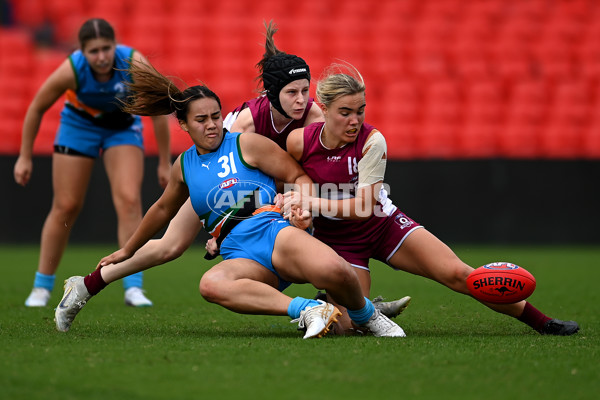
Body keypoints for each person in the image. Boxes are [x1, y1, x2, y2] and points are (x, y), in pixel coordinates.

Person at [51, 21, 409, 325]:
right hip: (229, 185)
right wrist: (226, 228)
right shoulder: (243, 126)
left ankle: (353, 304)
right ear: (271, 93)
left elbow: (304, 175)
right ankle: (87, 284)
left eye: (305, 90)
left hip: (273, 189)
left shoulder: (315, 115)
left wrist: (301, 204)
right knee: (170, 246)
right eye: (293, 92)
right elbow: (220, 174)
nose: (303, 100)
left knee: (320, 210)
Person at [282, 63, 580, 336]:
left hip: (383, 226)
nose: (355, 120)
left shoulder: (373, 141)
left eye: (360, 110)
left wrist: (313, 203)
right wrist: (298, 209)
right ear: (324, 108)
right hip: (340, 243)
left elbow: (362, 209)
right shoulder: (300, 142)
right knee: (345, 328)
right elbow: (288, 182)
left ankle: (543, 322)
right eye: (345, 112)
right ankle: (336, 303)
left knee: (460, 275)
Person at [14, 18, 171, 308]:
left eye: (106, 49)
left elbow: (160, 111)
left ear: (115, 45)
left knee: (128, 200)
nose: (101, 57)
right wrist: (24, 156)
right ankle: (42, 285)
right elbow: (36, 107)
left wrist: (164, 161)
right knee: (66, 205)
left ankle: (133, 287)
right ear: (82, 52)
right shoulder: (72, 70)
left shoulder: (133, 63)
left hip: (122, 127)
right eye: (93, 51)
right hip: (78, 125)